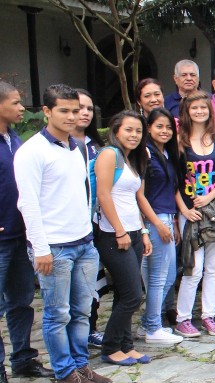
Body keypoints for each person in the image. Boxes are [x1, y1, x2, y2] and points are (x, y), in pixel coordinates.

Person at [15, 84, 110, 383]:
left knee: (82, 311)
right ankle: (64, 370)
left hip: (83, 243)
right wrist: (40, 248)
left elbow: (82, 193)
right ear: (46, 111)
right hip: (54, 248)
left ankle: (81, 365)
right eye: (64, 111)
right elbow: (27, 203)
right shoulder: (31, 152)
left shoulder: (78, 147)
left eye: (77, 110)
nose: (73, 116)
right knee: (58, 314)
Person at [0, 81, 55, 383]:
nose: (23, 108)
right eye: (16, 102)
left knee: (21, 302)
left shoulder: (14, 139)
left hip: (21, 234)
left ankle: (23, 359)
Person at [92, 110, 155, 366]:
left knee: (125, 293)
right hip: (112, 233)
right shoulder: (110, 155)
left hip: (133, 231)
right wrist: (119, 230)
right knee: (132, 294)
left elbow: (132, 200)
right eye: (128, 130)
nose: (134, 135)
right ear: (115, 130)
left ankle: (126, 345)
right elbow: (104, 195)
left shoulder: (132, 160)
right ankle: (109, 347)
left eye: (139, 131)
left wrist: (143, 231)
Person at [173, 91, 215, 338]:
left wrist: (208, 198)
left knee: (214, 267)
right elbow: (173, 180)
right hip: (190, 213)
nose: (199, 112)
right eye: (194, 107)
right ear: (186, 111)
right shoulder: (179, 140)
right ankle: (183, 318)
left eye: (203, 107)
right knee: (192, 268)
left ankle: (209, 315)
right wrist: (183, 210)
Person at [137, 108, 184, 345]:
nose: (164, 131)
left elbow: (170, 189)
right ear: (149, 128)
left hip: (167, 218)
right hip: (154, 220)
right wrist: (156, 223)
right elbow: (140, 194)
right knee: (157, 278)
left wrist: (174, 221)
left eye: (168, 127)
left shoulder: (166, 153)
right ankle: (153, 327)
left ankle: (148, 322)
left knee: (167, 276)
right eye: (159, 126)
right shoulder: (145, 153)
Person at [70, 90, 108, 348]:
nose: (84, 113)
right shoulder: (59, 144)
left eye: (89, 109)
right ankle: (71, 334)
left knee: (92, 278)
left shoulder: (96, 145)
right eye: (78, 108)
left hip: (95, 221)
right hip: (68, 224)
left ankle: (91, 327)